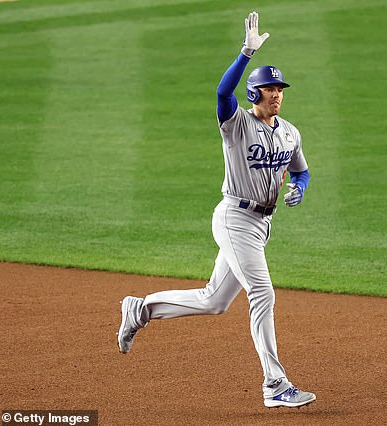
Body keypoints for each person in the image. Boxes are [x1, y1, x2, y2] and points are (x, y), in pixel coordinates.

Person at [117, 11, 315, 409]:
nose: (276, 94)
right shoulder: (236, 124)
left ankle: (141, 309)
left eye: (280, 89)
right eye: (269, 88)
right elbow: (223, 93)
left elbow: (302, 172)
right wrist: (245, 54)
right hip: (234, 218)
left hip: (261, 226)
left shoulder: (290, 131)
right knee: (262, 293)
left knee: (215, 300)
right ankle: (275, 385)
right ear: (254, 94)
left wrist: (299, 189)